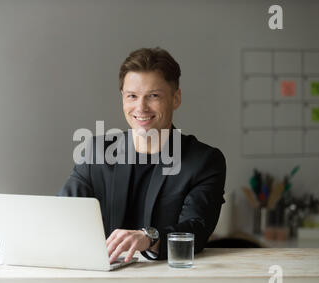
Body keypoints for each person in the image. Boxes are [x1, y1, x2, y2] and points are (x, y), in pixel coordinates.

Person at [58, 47, 226, 263]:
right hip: (102, 282)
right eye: (132, 96)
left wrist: (149, 237)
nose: (141, 107)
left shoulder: (204, 161)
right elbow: (62, 213)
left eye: (153, 96)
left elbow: (196, 230)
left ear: (176, 98)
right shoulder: (97, 152)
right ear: (123, 99)